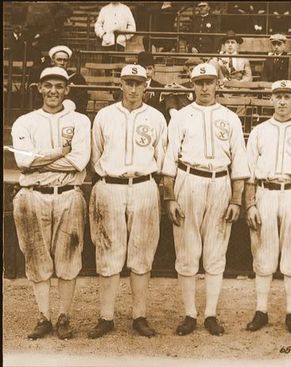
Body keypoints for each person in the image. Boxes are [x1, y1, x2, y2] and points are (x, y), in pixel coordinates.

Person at [162, 63, 250, 336]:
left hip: (220, 182)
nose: (204, 87)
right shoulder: (181, 117)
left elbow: (239, 163)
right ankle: (189, 313)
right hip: (189, 179)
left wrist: (236, 200)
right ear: (192, 86)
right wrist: (170, 197)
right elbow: (169, 161)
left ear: (217, 84)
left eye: (209, 82)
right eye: (199, 82)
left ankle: (211, 313)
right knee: (187, 252)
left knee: (215, 252)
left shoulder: (230, 118)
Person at [88, 64, 168, 339]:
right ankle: (106, 316)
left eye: (139, 83)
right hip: (111, 185)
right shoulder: (105, 116)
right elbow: (96, 153)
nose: (133, 88)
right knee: (108, 253)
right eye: (128, 82)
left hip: (144, 185)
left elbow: (161, 155)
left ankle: (139, 315)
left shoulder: (156, 117)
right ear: (120, 84)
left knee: (142, 253)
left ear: (147, 85)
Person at [11, 66, 91, 340]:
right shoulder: (26, 121)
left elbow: (78, 161)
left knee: (69, 258)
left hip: (69, 193)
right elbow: (23, 161)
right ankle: (44, 316)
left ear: (67, 89)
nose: (54, 90)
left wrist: (39, 160)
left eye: (59, 86)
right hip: (32, 195)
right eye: (48, 85)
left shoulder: (80, 121)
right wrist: (60, 154)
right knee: (36, 258)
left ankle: (63, 317)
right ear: (40, 88)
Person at [244, 80, 291, 334]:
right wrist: (250, 205)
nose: (282, 101)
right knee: (263, 254)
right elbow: (249, 174)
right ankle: (261, 310)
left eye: (287, 96)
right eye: (278, 96)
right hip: (266, 192)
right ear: (271, 99)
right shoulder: (259, 131)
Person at [30, 45, 88, 114]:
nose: (62, 63)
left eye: (65, 60)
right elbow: (38, 99)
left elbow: (82, 100)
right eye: (59, 59)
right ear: (52, 61)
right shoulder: (46, 76)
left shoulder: (77, 78)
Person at [161, 57, 203, 122]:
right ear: (188, 72)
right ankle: (175, 116)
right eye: (192, 70)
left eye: (196, 70)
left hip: (195, 114)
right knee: (171, 92)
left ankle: (177, 118)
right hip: (180, 115)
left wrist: (186, 92)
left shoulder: (204, 85)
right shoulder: (183, 85)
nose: (194, 73)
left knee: (180, 91)